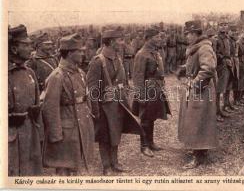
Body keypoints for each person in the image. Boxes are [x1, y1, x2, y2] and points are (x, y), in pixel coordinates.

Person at [87, 29, 141, 175]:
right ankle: (106, 166)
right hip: (104, 106)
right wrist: (95, 110)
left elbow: (123, 80)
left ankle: (115, 162)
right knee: (104, 136)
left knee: (116, 132)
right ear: (111, 42)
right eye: (119, 40)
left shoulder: (117, 58)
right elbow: (92, 88)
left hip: (118, 103)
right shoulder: (98, 61)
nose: (122, 43)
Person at [42, 33, 94, 176]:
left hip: (80, 125)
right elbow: (50, 109)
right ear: (70, 53)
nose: (83, 53)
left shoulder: (80, 73)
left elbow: (85, 99)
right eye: (79, 51)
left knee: (77, 165)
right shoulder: (57, 76)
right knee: (63, 168)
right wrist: (56, 135)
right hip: (66, 130)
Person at [177, 20, 217, 169]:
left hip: (201, 89)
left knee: (198, 120)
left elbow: (208, 69)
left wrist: (195, 83)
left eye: (188, 34)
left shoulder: (204, 48)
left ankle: (199, 155)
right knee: (195, 120)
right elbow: (197, 65)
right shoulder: (196, 47)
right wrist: (184, 69)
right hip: (197, 87)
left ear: (195, 34)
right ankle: (199, 150)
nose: (186, 37)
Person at [8, 24, 43, 176]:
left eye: (30, 44)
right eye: (26, 45)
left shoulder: (30, 73)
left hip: (31, 134)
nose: (31, 49)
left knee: (32, 173)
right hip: (11, 138)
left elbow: (36, 103)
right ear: (14, 49)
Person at [132, 26, 171, 158]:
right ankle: (144, 146)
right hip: (147, 89)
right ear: (148, 39)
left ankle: (151, 142)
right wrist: (140, 96)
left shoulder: (154, 52)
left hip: (155, 88)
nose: (159, 39)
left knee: (152, 116)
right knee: (145, 118)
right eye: (156, 37)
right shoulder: (142, 54)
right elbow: (137, 77)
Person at [215, 21, 232, 122]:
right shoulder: (216, 39)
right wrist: (222, 58)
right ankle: (216, 112)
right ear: (218, 27)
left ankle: (220, 109)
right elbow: (214, 53)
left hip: (227, 65)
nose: (224, 27)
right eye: (221, 25)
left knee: (223, 88)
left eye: (225, 24)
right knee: (217, 90)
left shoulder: (226, 38)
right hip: (220, 65)